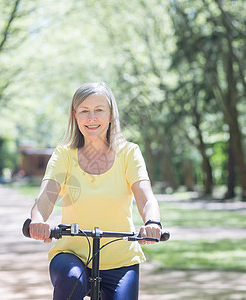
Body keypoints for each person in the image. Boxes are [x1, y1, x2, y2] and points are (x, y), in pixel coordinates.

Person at [29, 82, 162, 300]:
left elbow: (146, 198)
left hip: (121, 260)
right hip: (71, 255)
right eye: (84, 111)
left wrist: (152, 223)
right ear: (75, 116)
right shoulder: (64, 155)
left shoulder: (129, 153)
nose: (92, 118)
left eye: (99, 110)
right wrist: (37, 221)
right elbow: (45, 196)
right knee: (71, 280)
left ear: (111, 115)